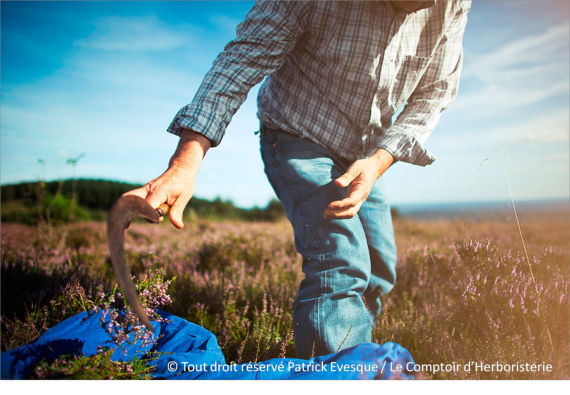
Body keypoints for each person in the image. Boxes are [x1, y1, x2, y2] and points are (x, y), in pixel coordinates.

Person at [126, 0, 471, 359]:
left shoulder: (454, 5)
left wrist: (377, 162)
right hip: (297, 132)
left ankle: (353, 357)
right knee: (340, 260)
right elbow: (241, 61)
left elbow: (435, 92)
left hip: (368, 154)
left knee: (379, 268)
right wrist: (185, 161)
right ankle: (339, 369)